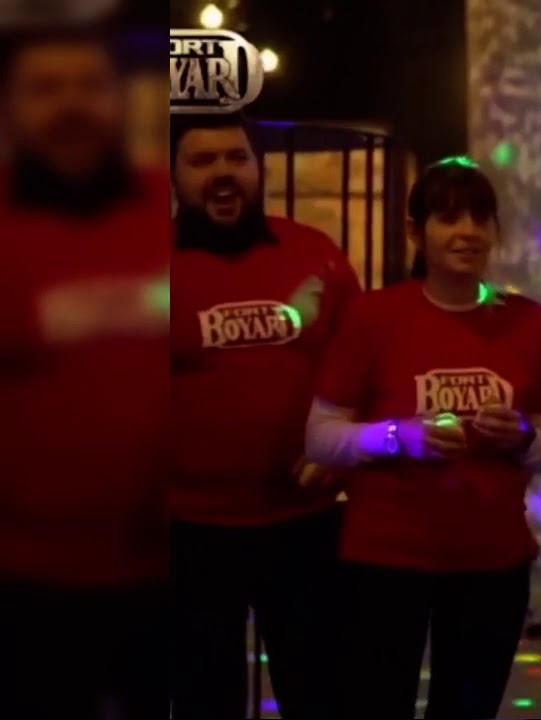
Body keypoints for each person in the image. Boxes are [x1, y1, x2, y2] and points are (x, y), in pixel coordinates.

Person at [303, 157, 541, 720]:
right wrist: (400, 437)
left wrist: (521, 437)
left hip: (493, 564)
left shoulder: (530, 323)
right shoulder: (374, 317)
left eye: (480, 217)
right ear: (416, 232)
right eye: (448, 218)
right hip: (385, 561)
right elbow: (320, 438)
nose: (467, 231)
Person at [0, 28, 170, 719]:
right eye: (46, 88)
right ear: (10, 109)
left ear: (119, 101)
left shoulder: (165, 206)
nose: (71, 104)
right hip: (25, 586)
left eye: (90, 86)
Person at [169, 112, 361, 720]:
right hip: (188, 533)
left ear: (260, 169)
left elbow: (365, 369)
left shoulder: (316, 253)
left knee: (321, 695)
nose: (223, 173)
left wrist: (341, 454)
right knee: (205, 701)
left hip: (306, 524)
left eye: (237, 158)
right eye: (202, 161)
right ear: (173, 176)